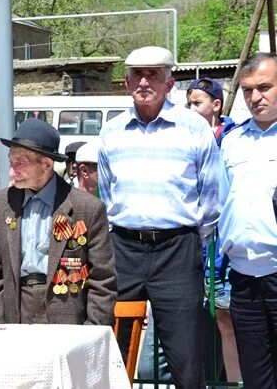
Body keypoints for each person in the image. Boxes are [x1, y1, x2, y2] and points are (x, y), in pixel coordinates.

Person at [98, 46, 219, 389]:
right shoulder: (112, 132)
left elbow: (210, 197)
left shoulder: (195, 129)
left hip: (177, 251)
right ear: (126, 82)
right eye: (137, 74)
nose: (144, 81)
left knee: (185, 356)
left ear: (170, 83)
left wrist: (194, 240)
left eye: (153, 74)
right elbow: (107, 193)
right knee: (114, 351)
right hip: (124, 249)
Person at [0, 118, 116, 325]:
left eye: (21, 163)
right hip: (16, 309)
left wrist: (92, 330)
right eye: (11, 162)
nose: (12, 171)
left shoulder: (86, 208)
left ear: (46, 164)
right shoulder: (4, 202)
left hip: (66, 313)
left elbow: (103, 280)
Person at [218, 52, 277, 388]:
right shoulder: (232, 142)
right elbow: (223, 203)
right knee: (256, 375)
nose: (255, 97)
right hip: (243, 277)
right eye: (248, 90)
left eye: (264, 87)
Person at [187, 76, 241, 383]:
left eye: (197, 103)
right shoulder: (186, 138)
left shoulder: (233, 138)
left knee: (240, 319)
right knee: (220, 319)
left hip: (230, 245)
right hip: (202, 245)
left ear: (216, 105)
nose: (191, 109)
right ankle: (229, 381)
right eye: (189, 104)